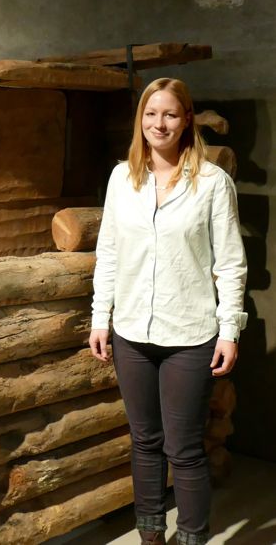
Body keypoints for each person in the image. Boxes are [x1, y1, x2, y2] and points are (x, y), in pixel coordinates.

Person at [89, 77, 247, 545]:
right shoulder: (122, 179)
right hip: (131, 332)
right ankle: (152, 537)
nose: (160, 124)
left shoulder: (212, 183)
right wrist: (100, 318)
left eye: (170, 114)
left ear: (187, 119)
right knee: (145, 442)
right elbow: (109, 253)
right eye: (151, 113)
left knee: (184, 449)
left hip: (190, 335)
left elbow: (230, 264)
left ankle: (192, 538)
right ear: (141, 119)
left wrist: (229, 330)